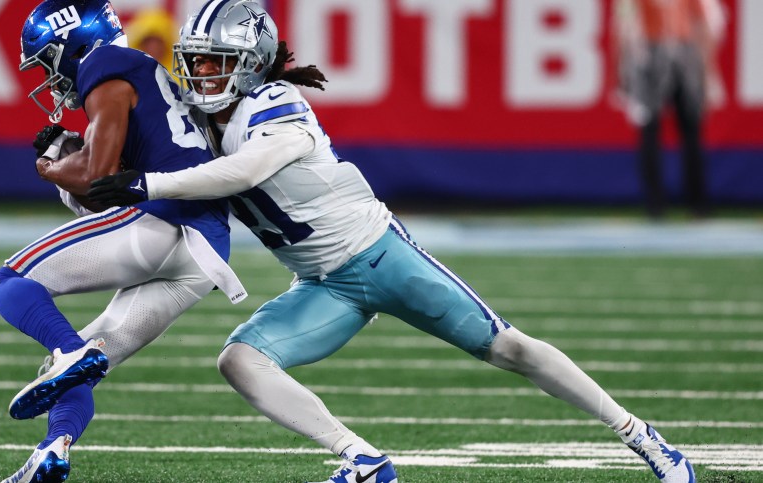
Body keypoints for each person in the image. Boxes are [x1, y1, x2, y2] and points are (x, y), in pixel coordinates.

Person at [89, 1, 696, 482]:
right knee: (239, 360)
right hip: (323, 286)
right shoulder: (195, 124)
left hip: (379, 256)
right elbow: (123, 161)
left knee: (511, 349)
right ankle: (362, 459)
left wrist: (145, 181)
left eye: (215, 61)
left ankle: (645, 438)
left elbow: (242, 172)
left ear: (250, 62)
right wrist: (73, 161)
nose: (200, 74)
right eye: (194, 61)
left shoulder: (277, 102)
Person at [0, 1, 245, 481]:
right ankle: (52, 451)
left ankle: (71, 351)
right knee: (71, 369)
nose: (48, 77)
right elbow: (105, 193)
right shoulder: (141, 75)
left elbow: (98, 175)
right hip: (205, 250)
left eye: (48, 60)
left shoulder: (103, 63)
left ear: (72, 43)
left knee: (8, 283)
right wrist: (72, 160)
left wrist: (51, 168)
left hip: (163, 220)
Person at [611, 0, 725, 220]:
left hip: (656, 53)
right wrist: (708, 69)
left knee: (668, 131)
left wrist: (620, 71)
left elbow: (623, 27)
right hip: (669, 51)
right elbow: (707, 25)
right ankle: (689, 204)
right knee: (674, 131)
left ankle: (663, 205)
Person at [125, 7, 177, 73]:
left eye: (158, 42)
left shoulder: (181, 76)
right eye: (147, 42)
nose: (153, 48)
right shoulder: (127, 74)